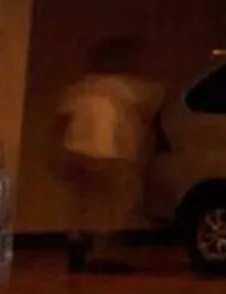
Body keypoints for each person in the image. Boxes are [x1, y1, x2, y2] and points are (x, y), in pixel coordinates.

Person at [51, 38, 161, 271]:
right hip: (109, 153)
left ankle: (76, 242)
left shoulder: (82, 87)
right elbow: (151, 108)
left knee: (81, 203)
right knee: (113, 206)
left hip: (76, 150)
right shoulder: (125, 88)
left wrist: (57, 151)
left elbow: (61, 121)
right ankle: (102, 253)